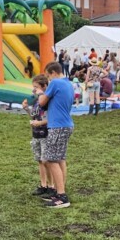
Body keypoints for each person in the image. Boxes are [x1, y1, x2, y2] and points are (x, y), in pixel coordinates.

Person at [37, 62, 74, 209]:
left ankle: (62, 196)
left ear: (52, 73)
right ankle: (60, 192)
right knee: (59, 159)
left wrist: (41, 92)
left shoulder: (55, 82)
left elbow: (41, 102)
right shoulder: (68, 84)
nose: (48, 79)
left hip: (57, 126)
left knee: (51, 159)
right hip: (66, 124)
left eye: (48, 75)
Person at [22, 74, 51, 197]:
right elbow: (34, 116)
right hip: (36, 135)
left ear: (44, 87)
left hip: (45, 134)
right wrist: (26, 109)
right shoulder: (36, 101)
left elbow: (50, 118)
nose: (33, 89)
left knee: (47, 161)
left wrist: (40, 123)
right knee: (40, 161)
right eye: (33, 87)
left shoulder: (46, 100)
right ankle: (43, 185)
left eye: (36, 87)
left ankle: (51, 186)